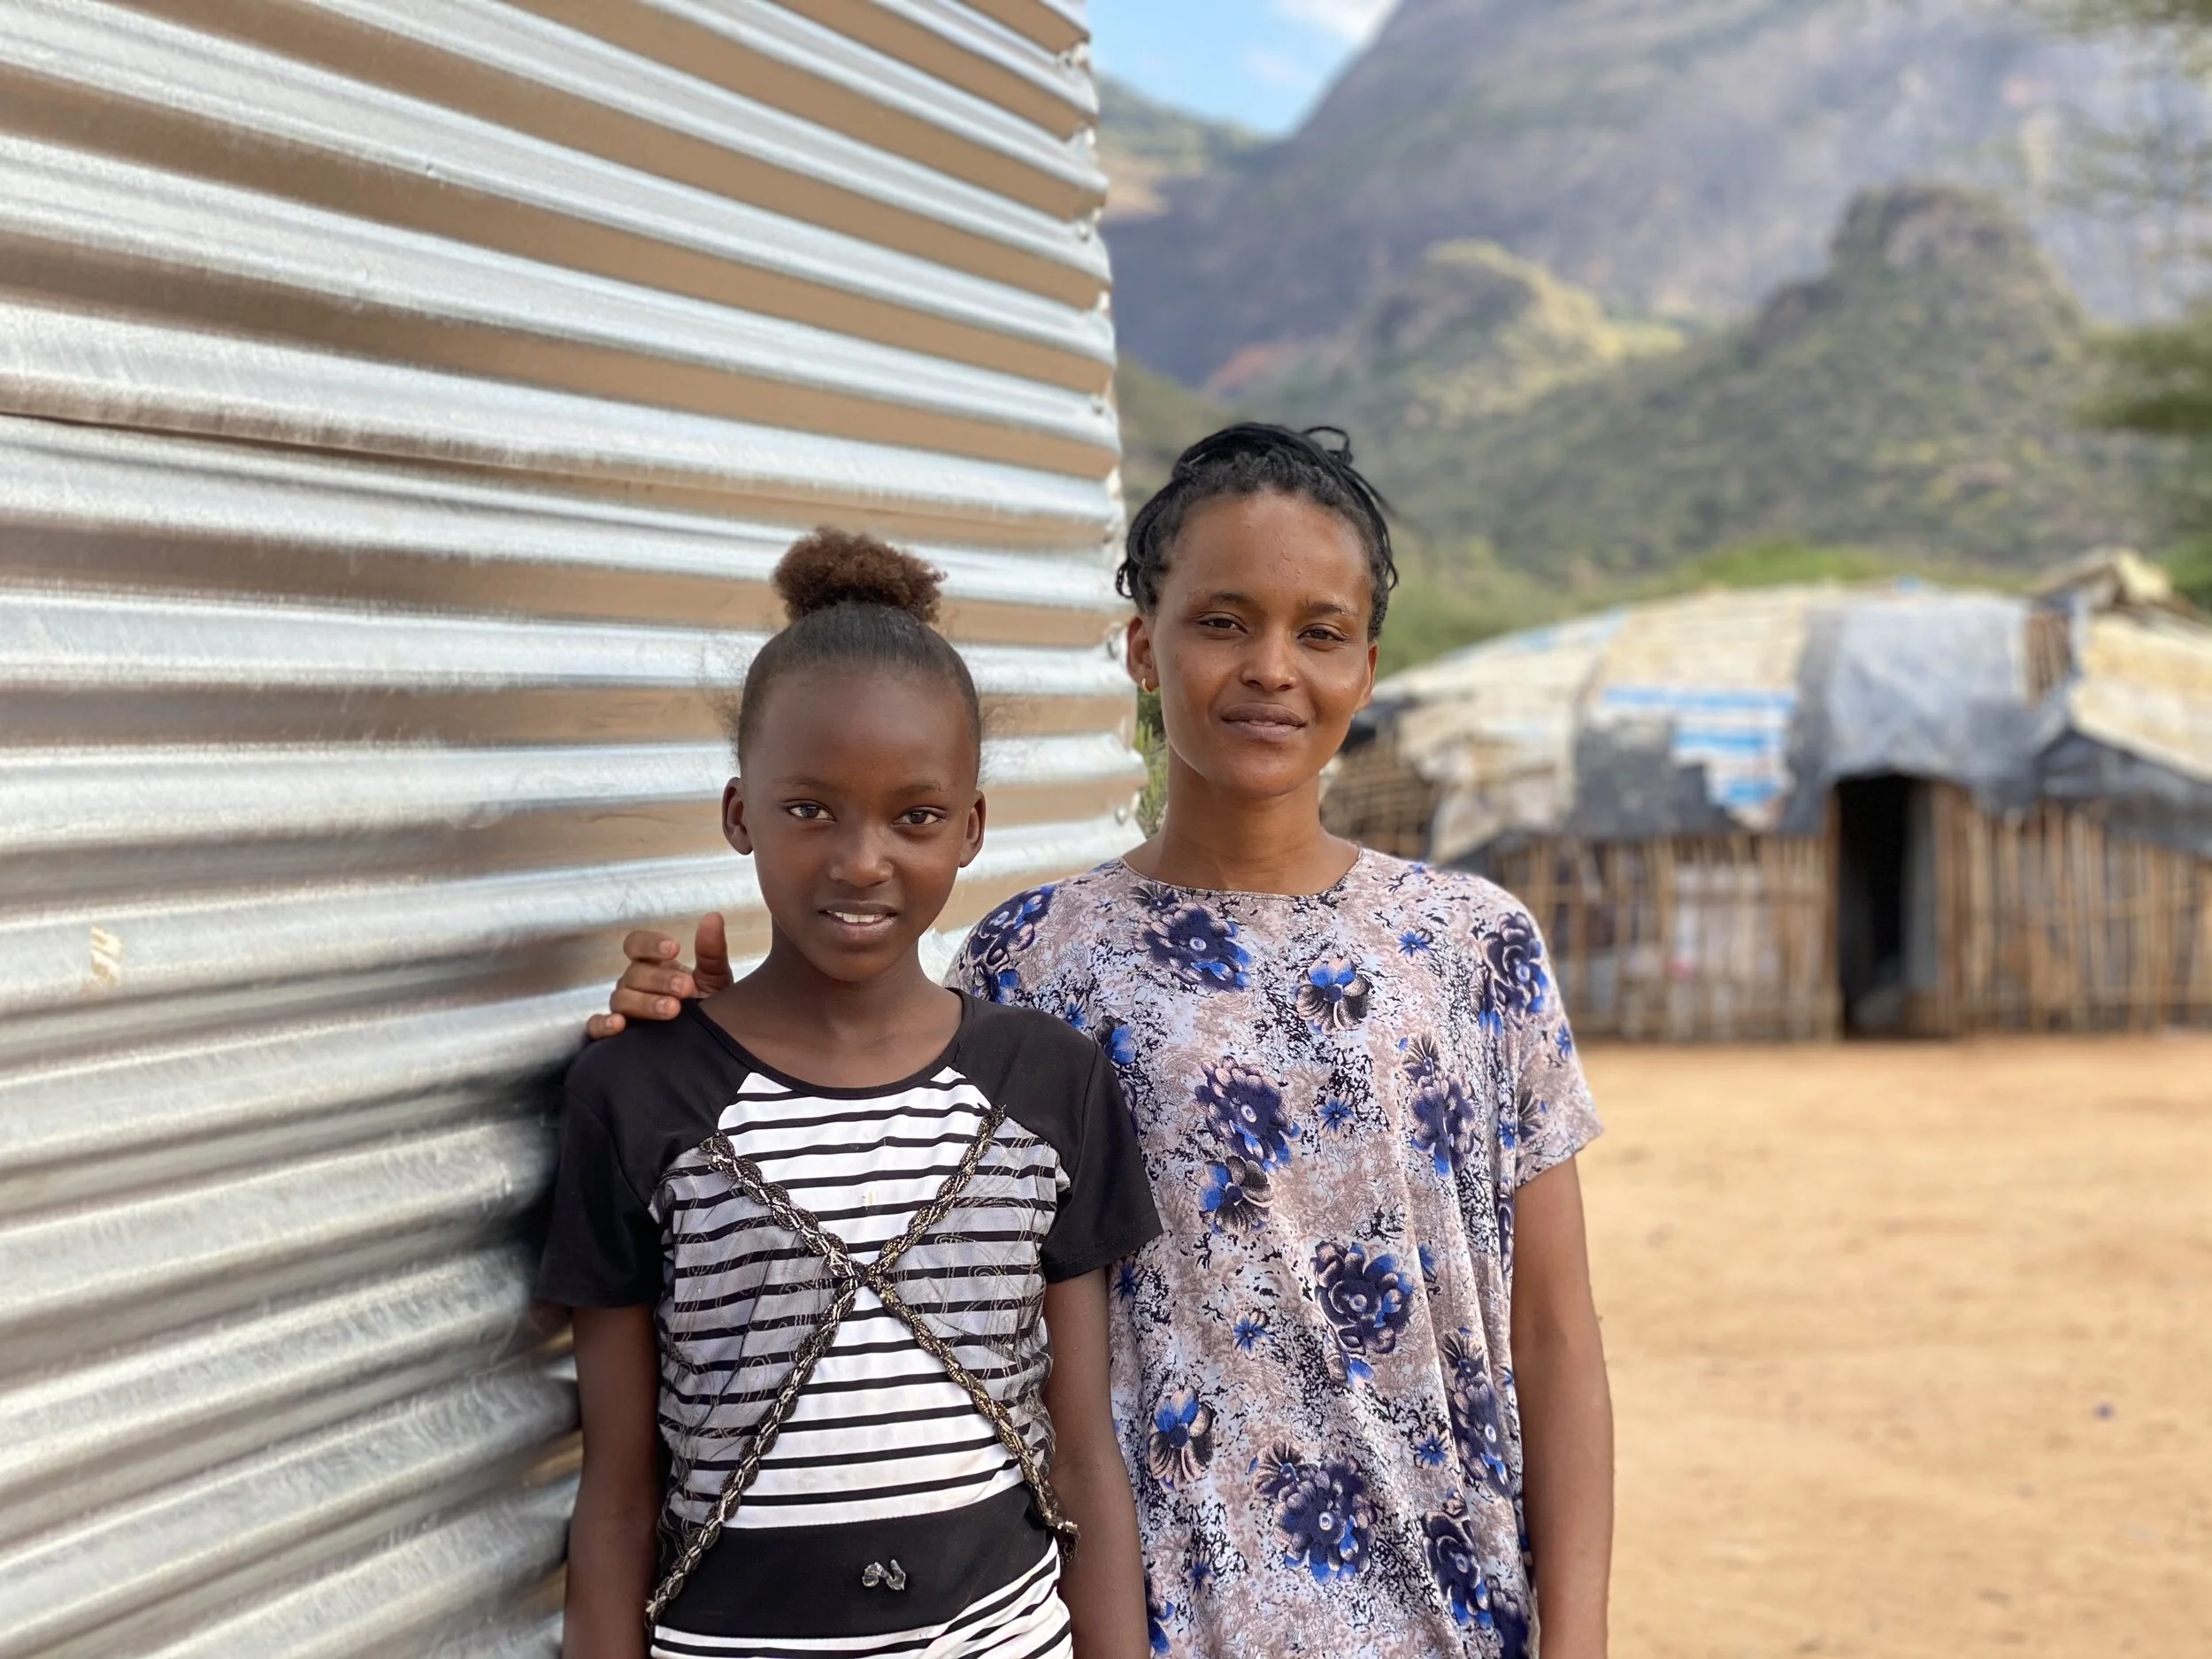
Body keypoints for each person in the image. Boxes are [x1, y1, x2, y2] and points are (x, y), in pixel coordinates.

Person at [592, 426, 1614, 1659]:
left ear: (1366, 667)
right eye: (1222, 621)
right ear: (1141, 646)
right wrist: (714, 1034)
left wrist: (1579, 1638)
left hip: (1450, 1614)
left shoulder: (1474, 947)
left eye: (1320, 631)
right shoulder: (1031, 961)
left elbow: (1554, 1336)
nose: (1270, 667)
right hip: (1155, 1623)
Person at [539, 532, 1160, 1659]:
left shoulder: (1047, 1084)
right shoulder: (635, 1094)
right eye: (810, 809)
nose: (861, 860)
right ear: (740, 812)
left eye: (914, 816)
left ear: (970, 828)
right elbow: (619, 1496)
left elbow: (1080, 1459)